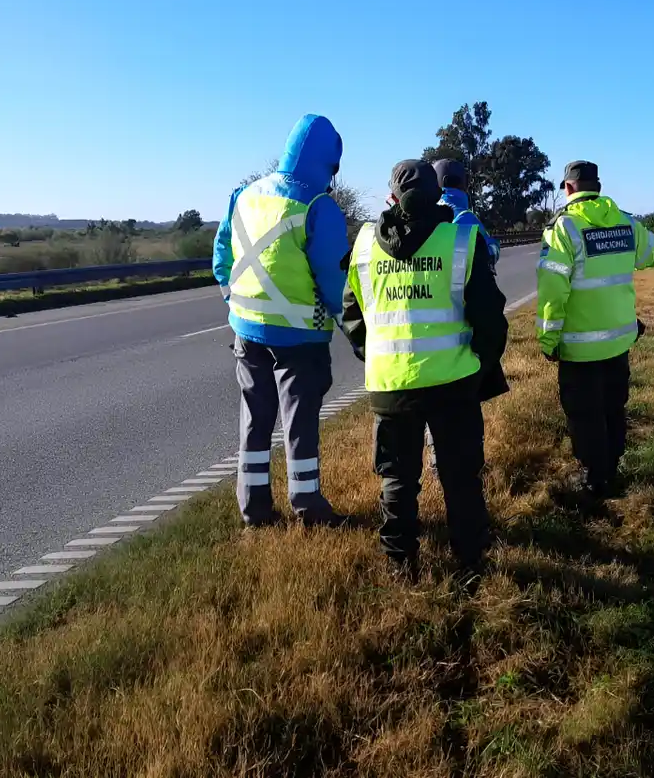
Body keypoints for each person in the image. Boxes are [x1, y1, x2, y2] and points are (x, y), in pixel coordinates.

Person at [342, 159, 508, 580]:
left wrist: (379, 358)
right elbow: (491, 319)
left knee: (397, 479)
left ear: (392, 197)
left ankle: (401, 567)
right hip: (453, 383)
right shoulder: (460, 240)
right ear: (439, 195)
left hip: (391, 387)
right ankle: (471, 564)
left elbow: (352, 316)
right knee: (461, 478)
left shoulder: (364, 245)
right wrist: (478, 368)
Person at [213, 113, 350, 528]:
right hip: (300, 338)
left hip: (246, 330)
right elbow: (335, 281)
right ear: (327, 164)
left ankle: (253, 510)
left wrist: (234, 301)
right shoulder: (318, 206)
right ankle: (307, 506)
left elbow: (222, 257)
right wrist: (356, 330)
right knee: (299, 423)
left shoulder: (245, 193)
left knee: (255, 423)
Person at [536, 160, 654, 500]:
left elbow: (553, 291)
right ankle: (612, 468)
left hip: (579, 348)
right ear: (599, 186)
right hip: (619, 340)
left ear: (567, 189)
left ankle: (594, 480)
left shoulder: (563, 229)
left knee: (585, 414)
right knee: (613, 407)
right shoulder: (626, 223)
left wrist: (548, 340)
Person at [431, 158, 501, 267]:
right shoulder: (465, 217)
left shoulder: (424, 214)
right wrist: (494, 245)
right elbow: (489, 255)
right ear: (462, 183)